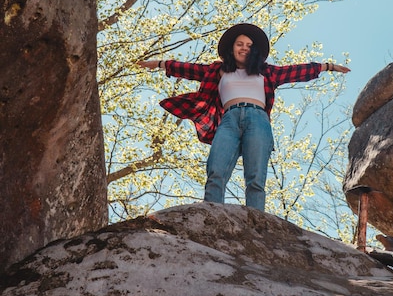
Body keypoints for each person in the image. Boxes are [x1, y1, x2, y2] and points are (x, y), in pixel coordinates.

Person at [137, 23, 350, 211]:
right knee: (216, 171)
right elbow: (189, 69)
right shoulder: (217, 71)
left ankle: (255, 221)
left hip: (258, 120)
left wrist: (327, 66)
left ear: (254, 51)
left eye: (249, 46)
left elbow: (297, 70)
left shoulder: (267, 73)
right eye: (240, 44)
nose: (244, 49)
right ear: (232, 48)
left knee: (255, 177)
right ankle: (211, 214)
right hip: (228, 120)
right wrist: (160, 64)